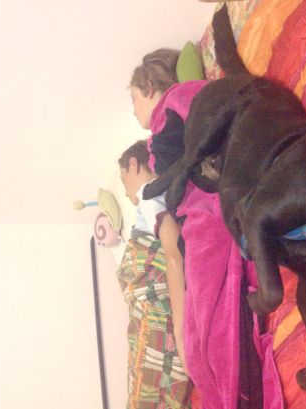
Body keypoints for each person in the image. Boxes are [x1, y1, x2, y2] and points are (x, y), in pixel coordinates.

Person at [128, 47, 266, 409]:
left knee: (209, 328)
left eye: (133, 99)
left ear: (148, 87)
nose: (133, 110)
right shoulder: (160, 133)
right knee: (209, 329)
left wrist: (178, 328)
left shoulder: (179, 99)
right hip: (201, 211)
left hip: (206, 208)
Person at [116, 140, 191, 409]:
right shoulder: (157, 198)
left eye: (123, 181)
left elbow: (174, 251)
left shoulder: (148, 196)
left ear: (134, 164)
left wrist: (180, 333)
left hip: (153, 310)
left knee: (142, 391)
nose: (125, 192)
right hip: (145, 306)